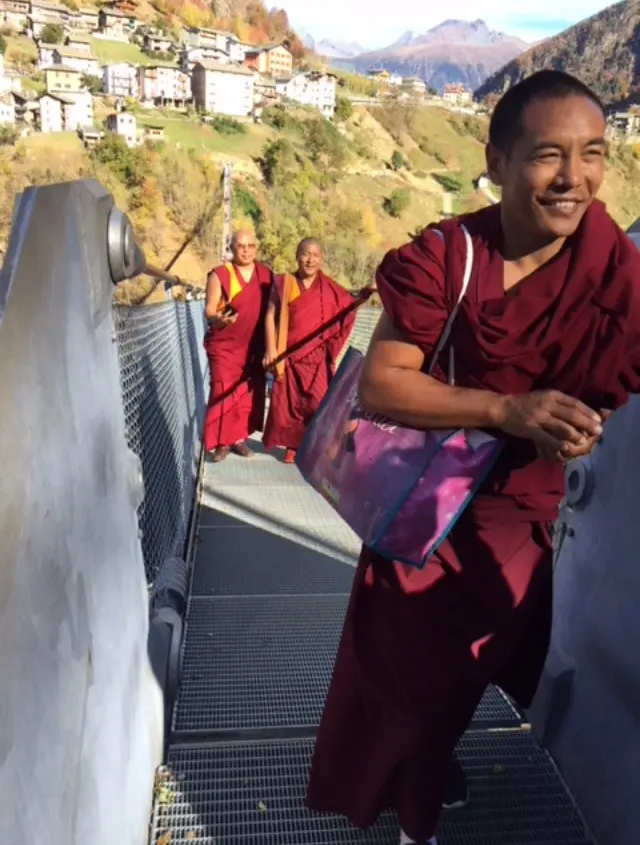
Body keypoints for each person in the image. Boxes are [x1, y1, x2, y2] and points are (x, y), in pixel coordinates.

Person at [306, 70, 640, 845]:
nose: (574, 178)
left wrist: (574, 422)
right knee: (406, 679)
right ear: (496, 159)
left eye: (593, 154)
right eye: (547, 155)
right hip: (424, 503)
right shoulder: (447, 257)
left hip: (521, 519)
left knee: (469, 668)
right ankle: (411, 814)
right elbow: (385, 385)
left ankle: (429, 757)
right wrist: (505, 409)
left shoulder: (616, 270)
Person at [262, 238, 360, 464]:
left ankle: (316, 446)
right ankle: (293, 446)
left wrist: (363, 296)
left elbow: (348, 308)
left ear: (322, 259)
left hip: (317, 358)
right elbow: (270, 315)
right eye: (306, 254)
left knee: (319, 403)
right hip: (288, 355)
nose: (310, 259)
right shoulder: (285, 283)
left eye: (315, 255)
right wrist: (271, 349)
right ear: (297, 256)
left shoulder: (330, 289)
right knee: (288, 406)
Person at [203, 229, 273, 462]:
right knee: (222, 389)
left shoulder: (266, 276)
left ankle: (238, 439)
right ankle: (222, 442)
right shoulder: (220, 275)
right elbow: (210, 310)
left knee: (245, 394)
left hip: (253, 346)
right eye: (240, 245)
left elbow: (277, 310)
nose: (245, 250)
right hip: (224, 345)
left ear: (257, 247)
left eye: (250, 245)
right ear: (231, 248)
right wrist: (218, 320)